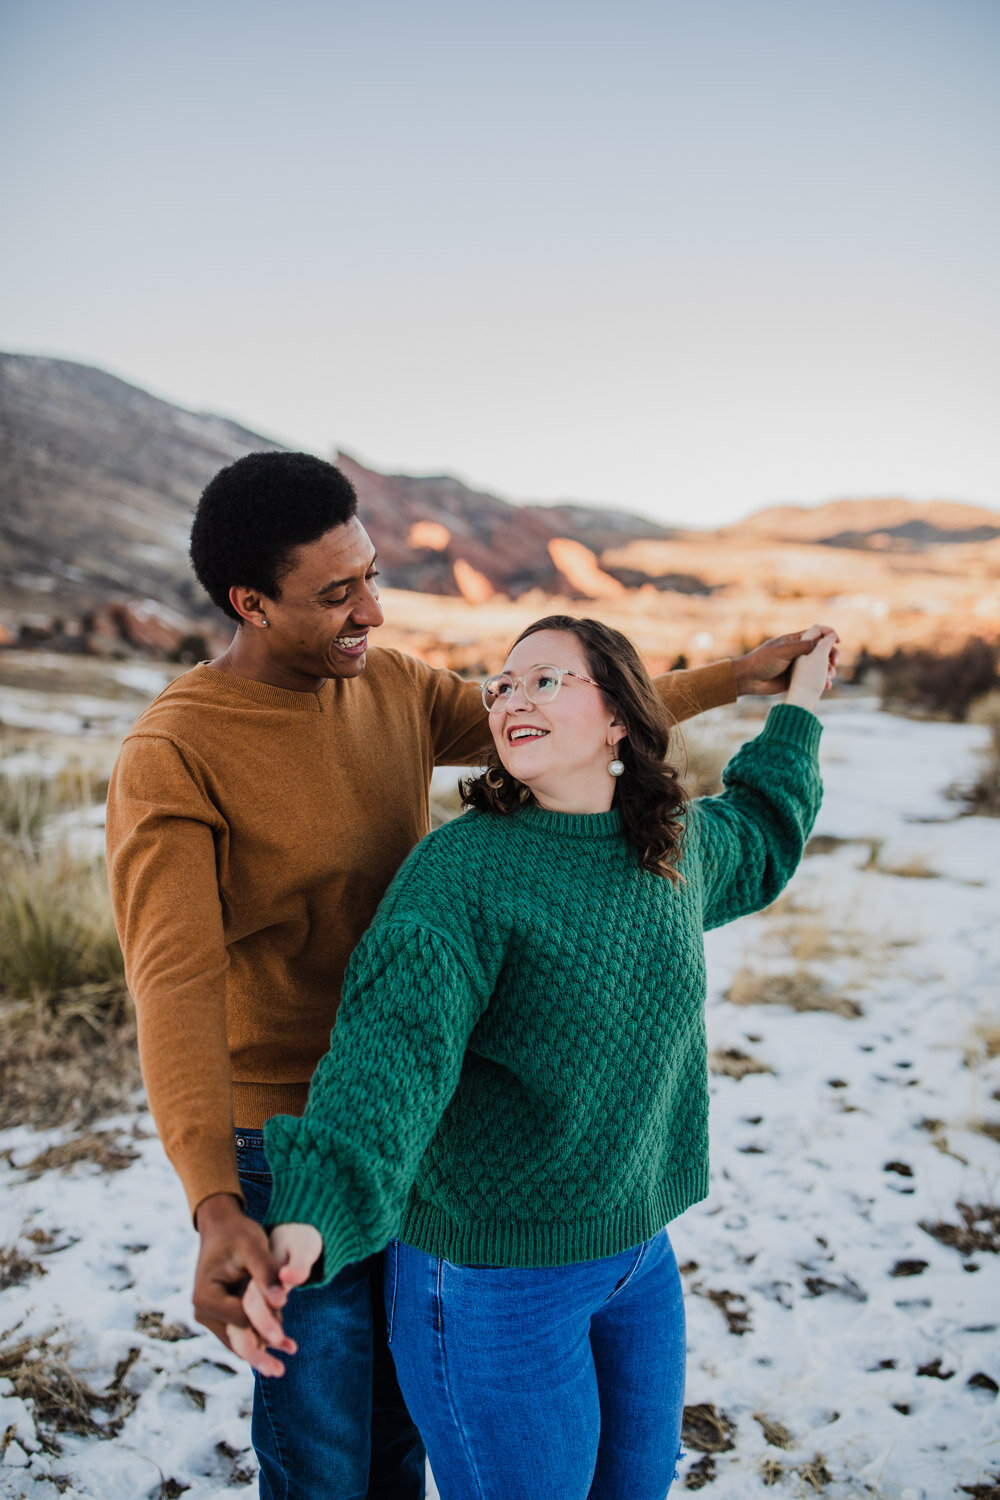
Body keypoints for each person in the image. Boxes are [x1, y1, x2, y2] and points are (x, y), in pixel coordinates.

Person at [105, 450, 837, 1500]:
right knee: (326, 1447)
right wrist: (215, 1201)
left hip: (441, 1114)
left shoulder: (386, 685)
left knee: (417, 1414)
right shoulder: (172, 754)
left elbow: (566, 718)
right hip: (289, 1128)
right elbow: (172, 985)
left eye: (369, 573)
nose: (374, 610)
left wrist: (741, 680)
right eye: (336, 593)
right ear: (250, 604)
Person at [231, 613, 835, 1500]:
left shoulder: (668, 844)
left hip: (637, 1257)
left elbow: (764, 823)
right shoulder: (462, 873)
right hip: (492, 1284)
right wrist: (312, 1215)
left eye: (544, 680)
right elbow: (390, 1057)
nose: (511, 697)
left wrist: (801, 707)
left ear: (621, 716)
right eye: (502, 684)